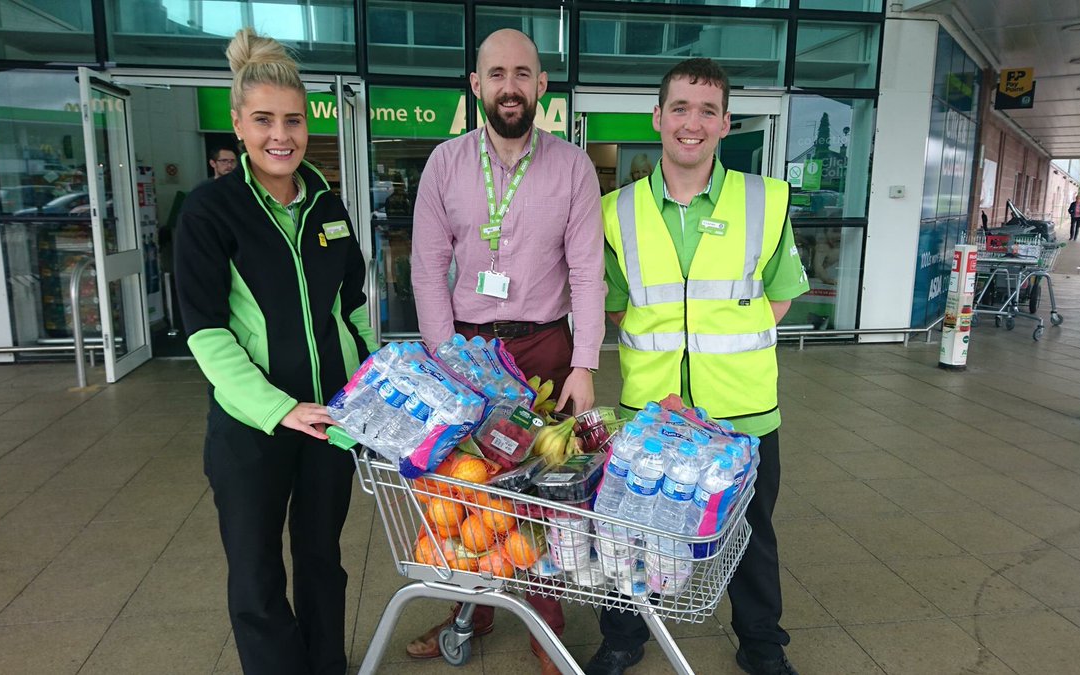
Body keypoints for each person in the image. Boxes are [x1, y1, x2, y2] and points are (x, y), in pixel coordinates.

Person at [592, 58, 809, 675]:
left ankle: (763, 647)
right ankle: (622, 638)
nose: (693, 122)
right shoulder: (617, 211)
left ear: (726, 123)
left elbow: (781, 294)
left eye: (707, 111)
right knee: (633, 531)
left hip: (742, 410)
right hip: (652, 411)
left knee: (751, 536)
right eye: (680, 108)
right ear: (658, 118)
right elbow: (616, 305)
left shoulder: (763, 201)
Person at [175, 28, 376, 675]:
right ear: (237, 123)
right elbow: (206, 331)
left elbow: (353, 308)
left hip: (329, 424)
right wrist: (279, 407)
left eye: (292, 119)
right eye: (263, 120)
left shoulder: (327, 207)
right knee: (257, 570)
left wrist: (372, 385)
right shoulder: (212, 212)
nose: (279, 135)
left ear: (308, 122)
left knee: (322, 558)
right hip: (250, 430)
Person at [409, 28, 605, 675]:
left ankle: (546, 632)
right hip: (467, 348)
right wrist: (445, 361)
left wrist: (585, 362)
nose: (510, 86)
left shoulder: (572, 166)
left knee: (537, 500)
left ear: (541, 85)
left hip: (546, 348)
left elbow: (587, 271)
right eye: (497, 74)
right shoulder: (444, 164)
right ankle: (471, 608)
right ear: (476, 85)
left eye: (523, 73)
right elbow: (426, 266)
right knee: (463, 492)